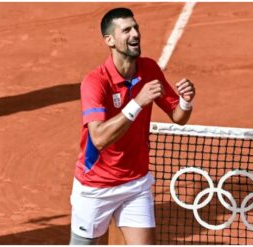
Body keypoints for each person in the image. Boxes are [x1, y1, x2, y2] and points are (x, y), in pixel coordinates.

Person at [70, 7, 195, 245]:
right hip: (96, 186)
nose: (135, 34)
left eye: (136, 27)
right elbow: (98, 138)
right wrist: (137, 103)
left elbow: (178, 116)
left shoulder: (149, 69)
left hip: (135, 183)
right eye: (126, 30)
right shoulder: (95, 82)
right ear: (110, 40)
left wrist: (187, 102)